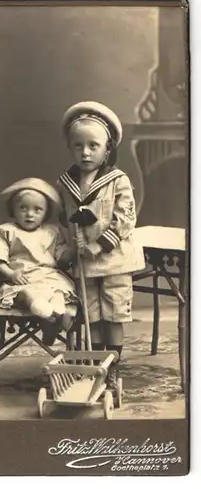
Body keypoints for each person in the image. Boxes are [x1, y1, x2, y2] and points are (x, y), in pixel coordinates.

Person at [57, 101, 145, 388]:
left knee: (114, 310)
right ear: (70, 147)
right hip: (85, 261)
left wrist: (100, 245)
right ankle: (97, 364)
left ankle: (113, 364)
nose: (85, 152)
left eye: (93, 146)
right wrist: (70, 247)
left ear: (107, 149)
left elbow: (124, 218)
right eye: (78, 145)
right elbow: (65, 218)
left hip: (114, 258)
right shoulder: (67, 182)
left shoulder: (117, 181)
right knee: (92, 312)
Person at [0, 177, 77, 345]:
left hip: (48, 277)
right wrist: (11, 273)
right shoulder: (6, 231)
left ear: (46, 213)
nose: (29, 214)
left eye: (37, 210)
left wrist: (72, 251)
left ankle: (54, 315)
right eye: (23, 208)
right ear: (13, 210)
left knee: (59, 290)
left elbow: (61, 256)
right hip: (21, 277)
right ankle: (40, 307)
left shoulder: (52, 232)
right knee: (25, 292)